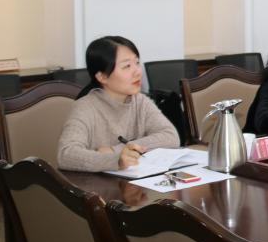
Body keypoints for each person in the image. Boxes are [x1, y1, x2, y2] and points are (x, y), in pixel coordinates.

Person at [57, 36, 179, 172]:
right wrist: (115, 160)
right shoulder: (85, 107)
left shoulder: (140, 101)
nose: (138, 72)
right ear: (102, 76)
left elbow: (171, 136)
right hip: (96, 184)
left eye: (137, 63)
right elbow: (66, 155)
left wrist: (115, 150)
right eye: (127, 66)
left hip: (134, 181)